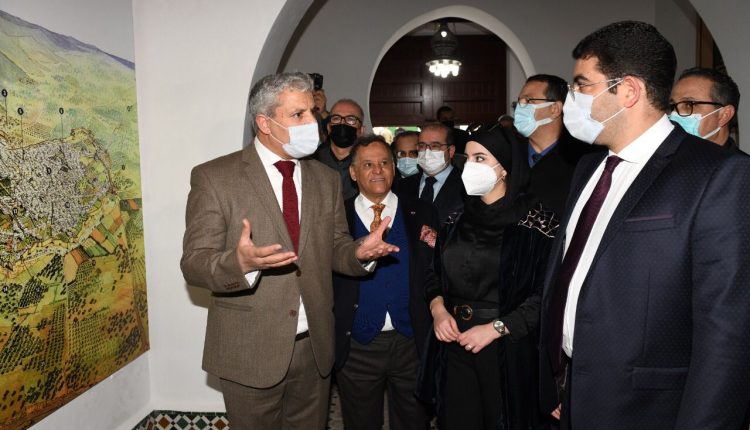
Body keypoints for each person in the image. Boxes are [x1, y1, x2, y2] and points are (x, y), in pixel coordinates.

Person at [538, 21, 750, 430]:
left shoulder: (717, 175)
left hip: (647, 410)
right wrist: (563, 382)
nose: (571, 99)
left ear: (629, 91)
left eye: (582, 85)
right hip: (574, 396)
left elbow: (727, 335)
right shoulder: (588, 167)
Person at [180, 72, 398, 430]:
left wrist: (359, 253)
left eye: (313, 112)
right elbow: (194, 263)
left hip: (314, 347)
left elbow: (335, 246)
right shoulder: (215, 178)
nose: (313, 122)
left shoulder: (324, 179)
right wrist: (239, 263)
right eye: (299, 115)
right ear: (265, 123)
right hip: (249, 348)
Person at [425, 128, 557, 429]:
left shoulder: (538, 224)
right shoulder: (455, 219)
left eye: (480, 158)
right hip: (454, 341)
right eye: (467, 158)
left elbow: (548, 294)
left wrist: (497, 328)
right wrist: (438, 309)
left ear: (505, 168)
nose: (470, 166)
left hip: (506, 346)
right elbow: (434, 273)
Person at [333, 134, 438, 430]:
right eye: (368, 164)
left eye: (384, 163)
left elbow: (435, 269)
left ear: (393, 168)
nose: (378, 170)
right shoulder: (337, 217)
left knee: (414, 421)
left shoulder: (422, 212)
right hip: (357, 345)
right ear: (353, 173)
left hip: (411, 342)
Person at [514, 74, 596, 215]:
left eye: (528, 100)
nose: (519, 108)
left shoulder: (581, 160)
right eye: (519, 102)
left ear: (555, 109)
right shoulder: (508, 154)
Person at [400, 123, 466, 224]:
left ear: (451, 151)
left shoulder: (466, 186)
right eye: (422, 146)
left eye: (435, 146)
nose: (427, 152)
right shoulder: (402, 186)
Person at [669, 67, 743, 152]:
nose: (673, 115)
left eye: (689, 105)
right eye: (673, 106)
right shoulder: (665, 157)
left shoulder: (740, 161)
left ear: (724, 115)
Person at [314, 98, 366, 200]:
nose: (342, 123)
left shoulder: (370, 164)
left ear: (361, 130)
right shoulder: (312, 160)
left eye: (351, 119)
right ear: (329, 127)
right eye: (336, 118)